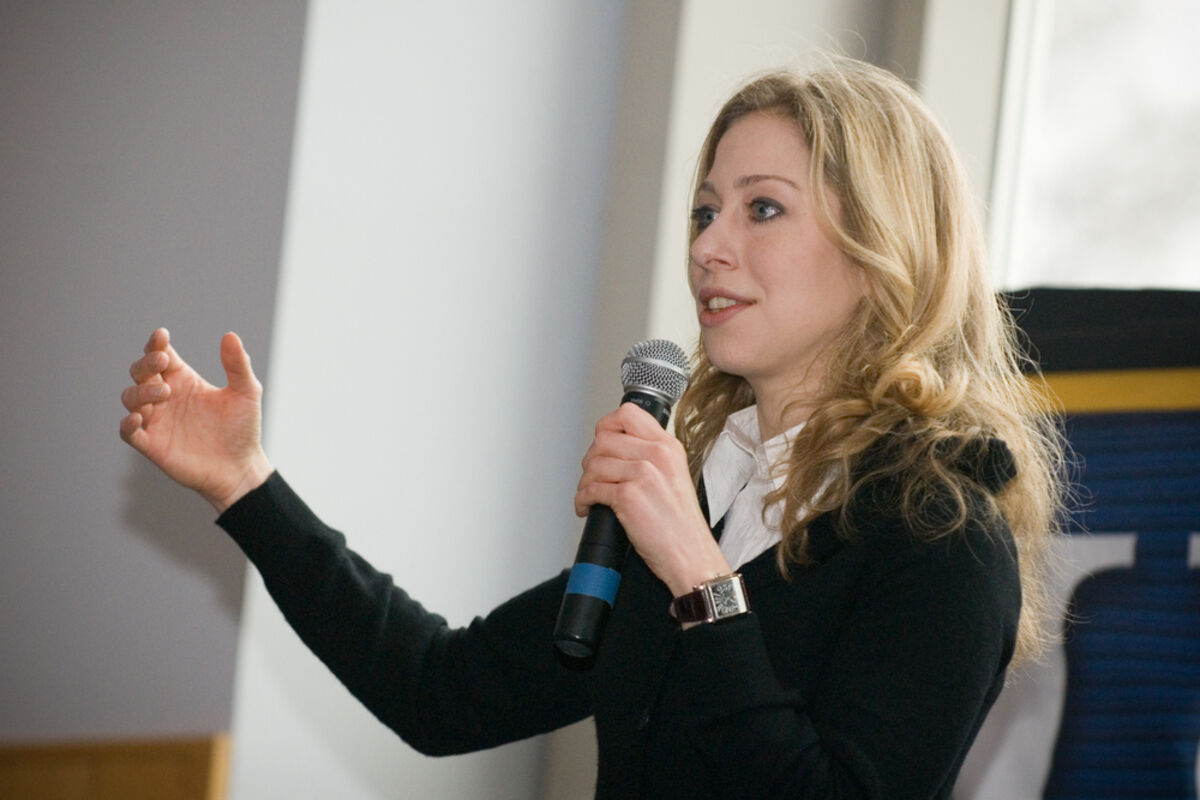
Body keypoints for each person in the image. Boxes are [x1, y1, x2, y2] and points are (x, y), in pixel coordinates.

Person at [119, 55, 1064, 798]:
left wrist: (698, 577)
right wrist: (246, 484)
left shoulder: (942, 533)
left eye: (763, 208)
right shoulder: (704, 498)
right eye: (704, 211)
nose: (707, 246)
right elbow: (439, 691)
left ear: (881, 250)